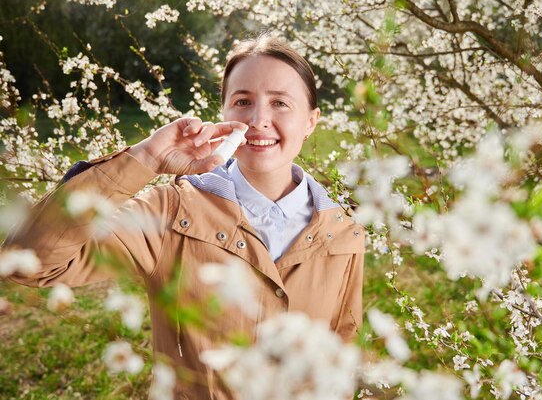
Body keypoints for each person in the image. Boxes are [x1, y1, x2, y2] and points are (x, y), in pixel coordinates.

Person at [3, 35, 365, 399]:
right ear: (224, 112)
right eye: (243, 101)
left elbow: (342, 347)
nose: (258, 120)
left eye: (280, 103)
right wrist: (144, 159)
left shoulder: (342, 231)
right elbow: (30, 263)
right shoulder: (171, 213)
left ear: (311, 121)